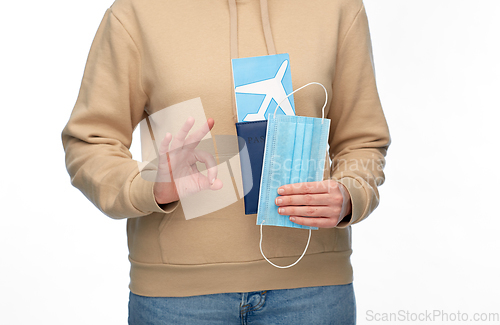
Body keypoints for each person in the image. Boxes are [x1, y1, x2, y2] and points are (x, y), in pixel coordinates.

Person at [62, 0, 390, 323]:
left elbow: (362, 140)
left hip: (312, 291)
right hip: (178, 298)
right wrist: (149, 188)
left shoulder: (337, 7)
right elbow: (90, 142)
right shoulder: (137, 11)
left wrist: (350, 194)